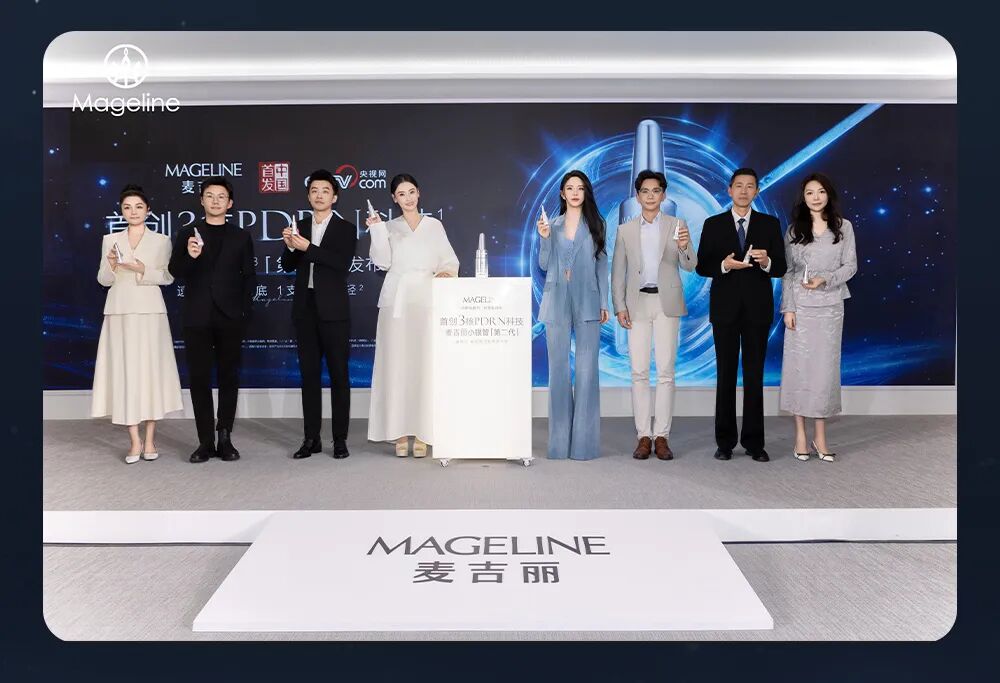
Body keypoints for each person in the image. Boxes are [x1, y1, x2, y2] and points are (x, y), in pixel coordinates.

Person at [695, 168, 787, 462]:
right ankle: (724, 442)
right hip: (724, 310)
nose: (744, 191)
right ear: (729, 190)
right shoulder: (713, 224)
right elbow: (702, 265)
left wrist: (767, 261)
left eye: (750, 186)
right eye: (739, 186)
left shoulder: (770, 224)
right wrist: (724, 265)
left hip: (758, 311)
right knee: (725, 375)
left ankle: (754, 443)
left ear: (757, 191)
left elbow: (781, 267)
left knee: (754, 376)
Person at [366, 174, 459, 457]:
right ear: (394, 198)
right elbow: (382, 261)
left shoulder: (434, 225)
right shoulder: (388, 227)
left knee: (424, 363)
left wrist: (445, 273)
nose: (407, 198)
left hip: (426, 300)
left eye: (411, 192)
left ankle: (422, 432)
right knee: (396, 364)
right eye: (401, 194)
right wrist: (376, 231)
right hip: (396, 300)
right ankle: (400, 431)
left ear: (418, 193)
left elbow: (449, 260)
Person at [92, 184, 184, 463]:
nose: (133, 212)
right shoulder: (111, 239)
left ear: (148, 210)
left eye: (139, 207)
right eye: (127, 207)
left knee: (150, 372)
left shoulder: (161, 240)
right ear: (121, 211)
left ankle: (151, 439)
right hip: (119, 311)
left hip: (150, 312)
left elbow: (168, 277)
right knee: (125, 372)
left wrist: (142, 269)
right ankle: (134, 440)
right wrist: (111, 265)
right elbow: (103, 280)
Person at [168, 177, 256, 464]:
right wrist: (191, 256)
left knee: (229, 377)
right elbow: (175, 271)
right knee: (199, 379)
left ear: (230, 203)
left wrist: (243, 311)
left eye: (221, 196)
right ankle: (205, 441)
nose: (215, 201)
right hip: (197, 316)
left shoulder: (241, 236)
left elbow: (250, 277)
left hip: (231, 317)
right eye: (209, 195)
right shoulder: (187, 233)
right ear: (201, 200)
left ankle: (225, 437)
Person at [611, 170, 697, 461]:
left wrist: (684, 247)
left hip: (666, 302)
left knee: (665, 371)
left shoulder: (677, 225)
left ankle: (662, 436)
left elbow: (690, 265)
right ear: (637, 196)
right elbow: (618, 273)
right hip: (637, 304)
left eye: (656, 191)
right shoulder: (625, 230)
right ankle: (643, 437)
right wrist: (619, 306)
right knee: (638, 371)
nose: (650, 196)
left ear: (664, 194)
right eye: (645, 191)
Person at [780, 173, 858, 462]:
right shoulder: (793, 230)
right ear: (803, 197)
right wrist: (788, 309)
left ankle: (821, 436)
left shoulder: (844, 227)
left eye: (821, 191)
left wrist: (825, 279)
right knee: (799, 370)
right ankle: (800, 434)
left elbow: (851, 266)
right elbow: (788, 272)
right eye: (810, 192)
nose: (816, 197)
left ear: (828, 195)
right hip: (800, 309)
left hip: (830, 307)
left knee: (824, 372)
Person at [281, 169, 358, 460]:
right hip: (305, 308)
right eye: (314, 190)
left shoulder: (346, 228)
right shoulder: (299, 225)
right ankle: (310, 438)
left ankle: (339, 439)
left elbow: (340, 263)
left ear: (334, 197)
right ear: (308, 196)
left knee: (339, 375)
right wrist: (291, 247)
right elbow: (287, 265)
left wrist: (307, 247)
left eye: (325, 190)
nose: (319, 195)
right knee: (309, 375)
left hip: (334, 310)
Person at [536, 170, 609, 461]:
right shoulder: (551, 226)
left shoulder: (597, 225)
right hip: (556, 299)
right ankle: (558, 444)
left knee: (587, 371)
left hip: (588, 298)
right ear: (562, 194)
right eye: (570, 188)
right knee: (558, 371)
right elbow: (544, 264)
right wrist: (544, 238)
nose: (575, 192)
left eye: (580, 188)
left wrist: (604, 302)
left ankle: (584, 445)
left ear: (585, 192)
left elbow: (602, 265)